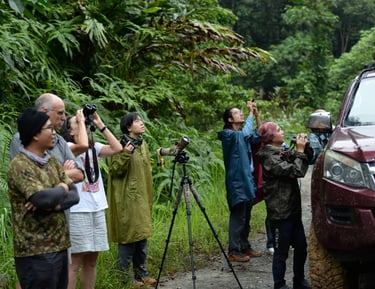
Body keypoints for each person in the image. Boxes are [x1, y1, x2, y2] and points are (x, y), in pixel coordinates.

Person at [9, 93, 84, 289]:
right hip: (35, 248)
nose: (54, 133)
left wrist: (58, 194)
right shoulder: (20, 164)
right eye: (48, 129)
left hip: (59, 243)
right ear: (35, 133)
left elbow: (75, 193)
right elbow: (40, 197)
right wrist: (62, 186)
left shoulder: (51, 160)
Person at [60, 109, 122, 289]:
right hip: (78, 210)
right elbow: (82, 144)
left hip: (97, 207)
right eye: (78, 125)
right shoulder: (67, 147)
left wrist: (99, 124)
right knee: (75, 262)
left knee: (92, 260)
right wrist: (79, 119)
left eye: (85, 124)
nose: (84, 126)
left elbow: (117, 148)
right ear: (70, 131)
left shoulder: (94, 147)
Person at [256, 121, 312, 289]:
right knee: (282, 251)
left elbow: (303, 159)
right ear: (271, 137)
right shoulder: (269, 157)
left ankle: (299, 280)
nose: (283, 132)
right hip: (280, 212)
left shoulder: (280, 152)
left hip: (293, 210)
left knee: (301, 247)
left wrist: (305, 147)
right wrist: (300, 151)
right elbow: (297, 171)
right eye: (279, 130)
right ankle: (279, 284)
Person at [106, 112, 156, 287]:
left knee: (141, 238)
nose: (142, 123)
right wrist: (125, 154)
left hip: (142, 198)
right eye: (137, 121)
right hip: (126, 200)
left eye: (141, 120)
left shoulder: (142, 144)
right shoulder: (119, 145)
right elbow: (114, 170)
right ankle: (124, 277)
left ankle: (142, 274)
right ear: (128, 127)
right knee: (128, 239)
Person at [217, 101, 262, 263]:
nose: (241, 113)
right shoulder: (228, 135)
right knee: (238, 216)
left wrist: (256, 115)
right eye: (237, 113)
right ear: (229, 120)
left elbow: (260, 134)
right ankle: (233, 250)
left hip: (248, 180)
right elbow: (243, 134)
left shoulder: (244, 135)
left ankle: (244, 246)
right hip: (237, 181)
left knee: (246, 215)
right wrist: (250, 114)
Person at [10, 93, 84, 183]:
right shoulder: (21, 138)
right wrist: (63, 173)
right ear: (44, 112)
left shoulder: (59, 140)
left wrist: (51, 175)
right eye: (60, 113)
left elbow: (80, 174)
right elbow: (27, 178)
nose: (64, 118)